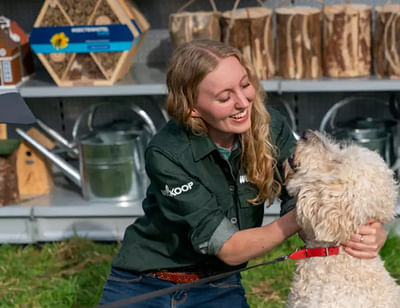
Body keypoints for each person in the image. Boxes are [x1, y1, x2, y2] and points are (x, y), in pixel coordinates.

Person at [99, 39, 387, 307]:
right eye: (225, 97)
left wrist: (370, 231)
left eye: (245, 85)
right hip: (145, 282)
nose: (243, 102)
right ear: (193, 110)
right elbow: (229, 248)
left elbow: (301, 190)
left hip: (217, 284)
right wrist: (312, 213)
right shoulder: (166, 153)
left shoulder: (270, 126)